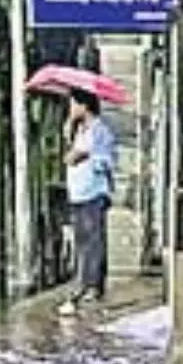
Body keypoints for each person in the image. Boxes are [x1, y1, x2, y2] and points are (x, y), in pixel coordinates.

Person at [62, 88, 117, 313]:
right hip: (79, 192)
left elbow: (107, 161)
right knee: (82, 241)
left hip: (94, 192)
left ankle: (94, 286)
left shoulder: (100, 131)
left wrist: (86, 156)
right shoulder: (79, 131)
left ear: (85, 106)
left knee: (94, 240)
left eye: (74, 104)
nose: (71, 109)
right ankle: (83, 282)